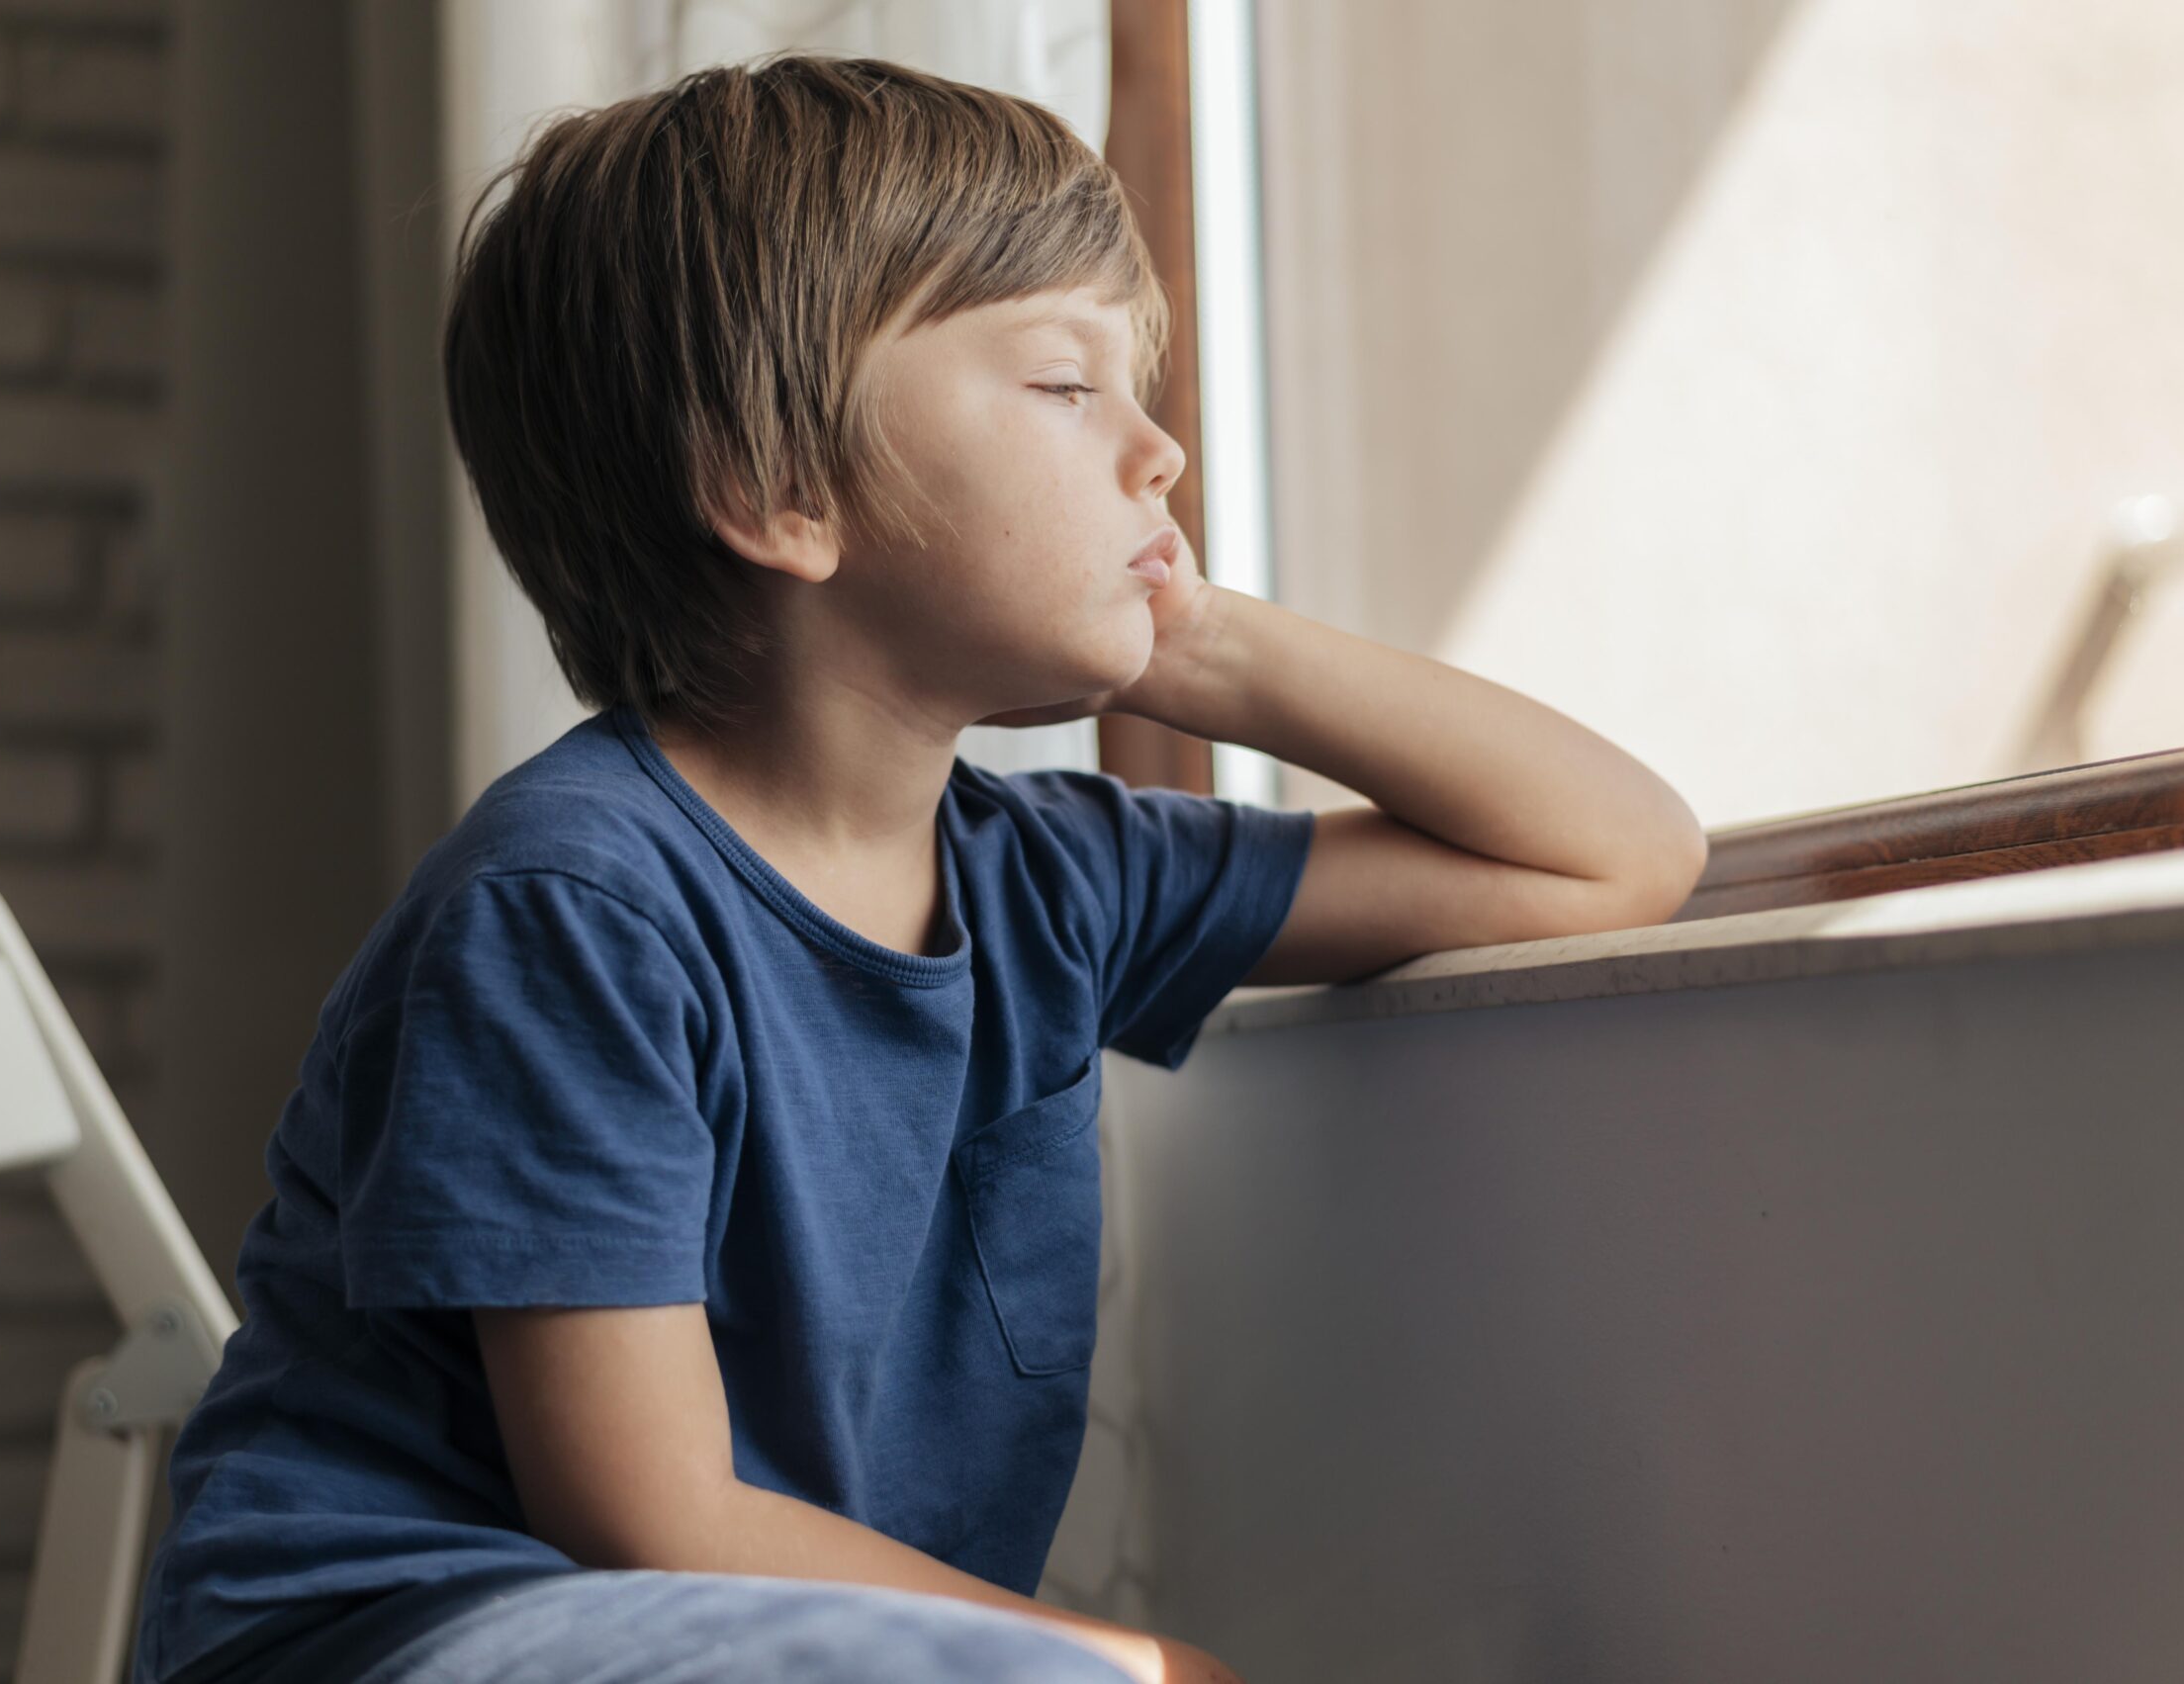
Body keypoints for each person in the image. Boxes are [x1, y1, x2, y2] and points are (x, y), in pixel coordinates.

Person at [130, 49, 1709, 1684]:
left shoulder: (1054, 881)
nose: (1158, 450)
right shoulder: (567, 913)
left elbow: (1616, 855)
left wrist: (1203, 641)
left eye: (1140, 383)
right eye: (1063, 384)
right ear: (773, 487)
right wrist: (1141, 1668)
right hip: (413, 1634)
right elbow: (649, 1520)